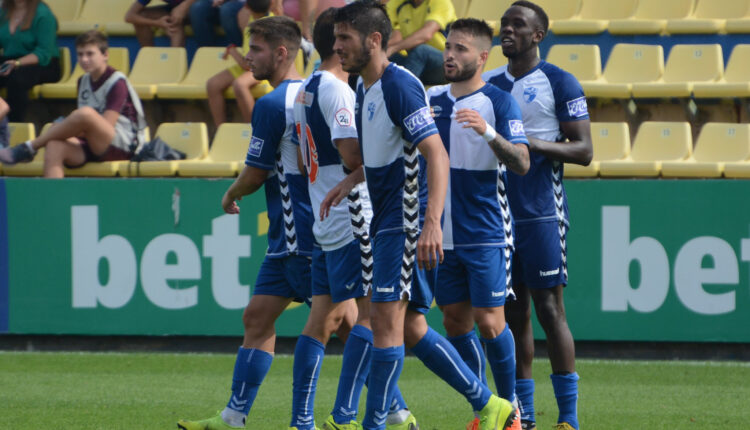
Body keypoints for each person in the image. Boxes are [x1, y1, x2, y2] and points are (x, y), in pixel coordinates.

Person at [332, 2, 517, 430]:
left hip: (404, 221)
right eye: (336, 38)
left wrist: (431, 222)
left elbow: (435, 152)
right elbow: (394, 151)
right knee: (412, 327)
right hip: (387, 220)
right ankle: (490, 405)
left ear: (374, 40)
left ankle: (375, 422)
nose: (336, 46)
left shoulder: (400, 85)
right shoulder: (365, 88)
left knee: (383, 322)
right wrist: (352, 179)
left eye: (345, 38)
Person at [176, 16, 343, 430]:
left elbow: (254, 174)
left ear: (282, 53)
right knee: (257, 317)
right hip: (288, 236)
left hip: (303, 233)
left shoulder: (273, 104)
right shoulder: (311, 96)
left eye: (257, 49)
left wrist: (230, 194)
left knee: (350, 324)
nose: (247, 57)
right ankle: (234, 416)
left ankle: (391, 410)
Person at [290, 9, 416, 430]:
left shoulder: (307, 89)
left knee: (328, 316)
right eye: (341, 38)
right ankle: (345, 417)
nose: (344, 45)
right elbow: (351, 155)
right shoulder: (339, 90)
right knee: (370, 317)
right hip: (353, 216)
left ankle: (310, 419)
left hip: (328, 212)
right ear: (337, 41)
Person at [483, 2, 593, 430]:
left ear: (538, 36)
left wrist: (529, 144)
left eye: (518, 25)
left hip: (541, 212)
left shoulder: (559, 81)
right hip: (497, 215)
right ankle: (522, 416)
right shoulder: (489, 86)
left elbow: (584, 150)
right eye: (504, 23)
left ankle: (568, 419)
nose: (507, 30)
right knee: (513, 315)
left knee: (550, 309)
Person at [427, 17, 530, 429]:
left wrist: (488, 132)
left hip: (485, 231)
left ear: (483, 57)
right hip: (439, 233)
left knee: (491, 321)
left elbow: (522, 162)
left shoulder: (499, 102)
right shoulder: (430, 97)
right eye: (448, 47)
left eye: (461, 49)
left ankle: (512, 410)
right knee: (454, 320)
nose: (450, 55)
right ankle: (484, 408)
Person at [0, 30, 147, 178]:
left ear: (105, 55)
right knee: (54, 144)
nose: (84, 59)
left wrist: (68, 127)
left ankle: (31, 146)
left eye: (90, 54)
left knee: (85, 114)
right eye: (80, 54)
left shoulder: (117, 82)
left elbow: (106, 125)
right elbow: (84, 126)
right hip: (94, 143)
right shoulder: (82, 81)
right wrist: (63, 129)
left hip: (124, 146)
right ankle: (54, 198)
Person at [206, 0, 273, 128]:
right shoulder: (261, 22)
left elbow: (247, 65)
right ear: (271, 5)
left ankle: (254, 130)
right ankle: (221, 130)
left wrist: (231, 50)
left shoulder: (258, 28)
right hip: (252, 67)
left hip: (266, 69)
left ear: (246, 7)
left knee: (240, 85)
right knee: (213, 84)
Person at [0, 0, 60, 122]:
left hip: (43, 63)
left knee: (17, 79)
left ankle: (14, 127)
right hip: (12, 59)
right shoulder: (3, 13)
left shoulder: (43, 14)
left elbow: (44, 52)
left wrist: (17, 63)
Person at [384, 0, 455, 86]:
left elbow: (427, 34)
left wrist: (392, 49)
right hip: (417, 62)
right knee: (386, 57)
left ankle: (401, 92)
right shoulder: (397, 3)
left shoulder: (440, 2)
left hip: (447, 63)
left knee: (421, 50)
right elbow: (396, 36)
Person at [124, 0, 198, 47]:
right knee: (141, 16)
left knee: (174, 20)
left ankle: (175, 62)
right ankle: (150, 58)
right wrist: (158, 23)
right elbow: (129, 16)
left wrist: (184, 6)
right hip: (174, 11)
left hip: (199, 10)